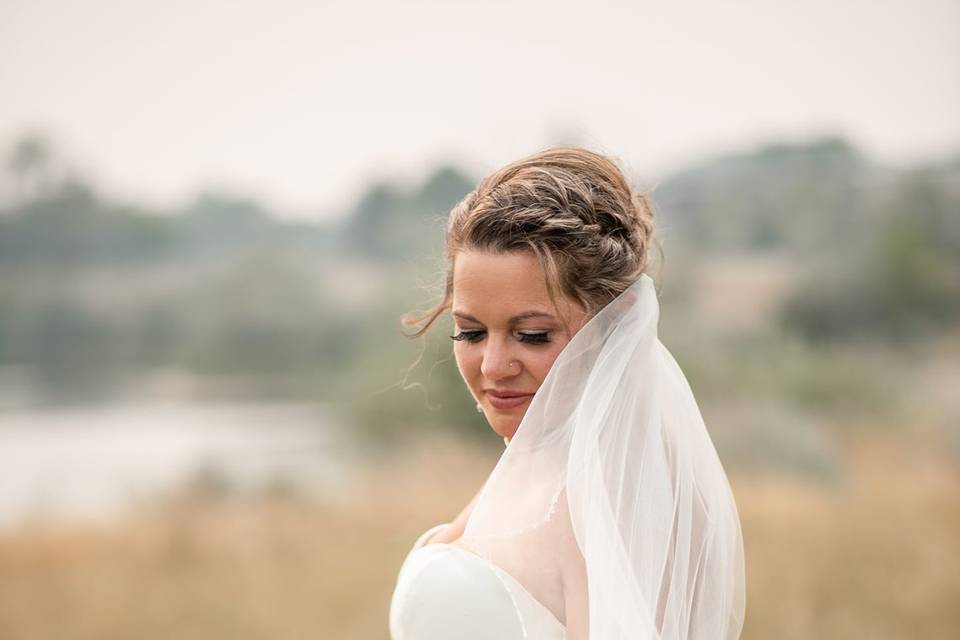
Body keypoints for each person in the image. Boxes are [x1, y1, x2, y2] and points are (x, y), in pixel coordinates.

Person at [389, 147, 745, 640]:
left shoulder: (612, 501)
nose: (493, 366)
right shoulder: (533, 460)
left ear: (609, 329)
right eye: (470, 333)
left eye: (532, 335)